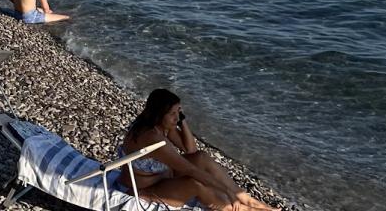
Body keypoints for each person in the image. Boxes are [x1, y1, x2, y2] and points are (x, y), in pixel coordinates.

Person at [117, 89, 275, 211]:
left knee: (201, 157)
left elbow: (190, 150)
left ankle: (246, 198)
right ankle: (239, 208)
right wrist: (227, 192)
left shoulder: (161, 125)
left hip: (161, 178)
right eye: (172, 114)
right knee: (195, 184)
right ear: (159, 114)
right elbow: (191, 170)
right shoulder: (152, 137)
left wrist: (182, 121)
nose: (176, 118)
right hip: (141, 190)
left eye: (178, 112)